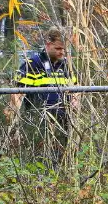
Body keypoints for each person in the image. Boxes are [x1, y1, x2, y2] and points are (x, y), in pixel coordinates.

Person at [5, 28, 75, 166]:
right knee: (41, 161)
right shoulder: (32, 64)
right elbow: (17, 93)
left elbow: (76, 90)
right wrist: (13, 119)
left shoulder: (66, 65)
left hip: (64, 122)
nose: (62, 52)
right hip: (39, 124)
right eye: (58, 48)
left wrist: (74, 103)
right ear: (48, 44)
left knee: (63, 159)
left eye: (64, 49)